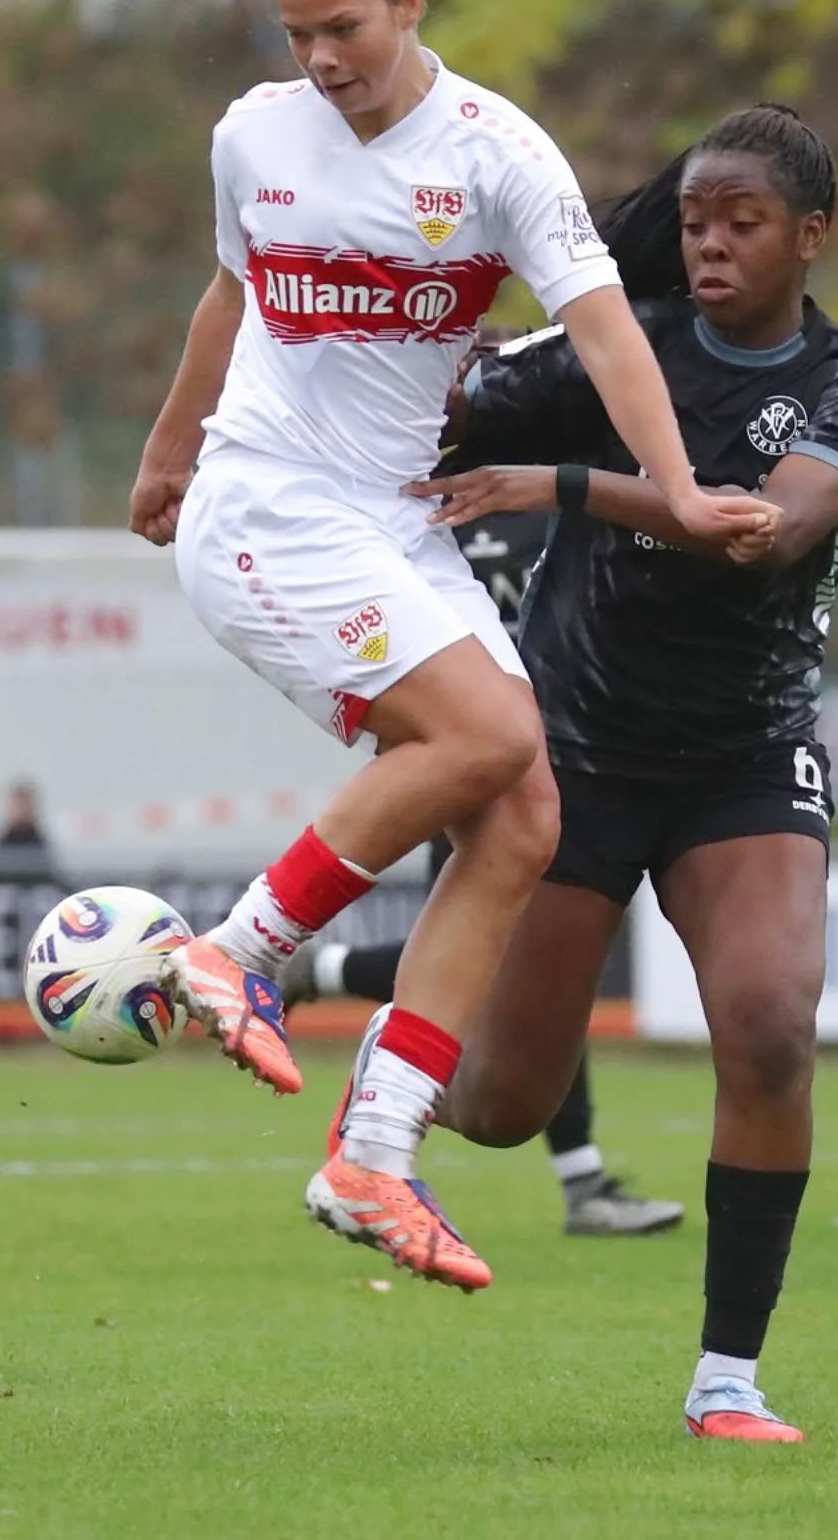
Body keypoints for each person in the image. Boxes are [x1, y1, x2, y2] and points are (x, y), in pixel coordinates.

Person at [128, 0, 777, 1292]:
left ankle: (375, 1152)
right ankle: (235, 950)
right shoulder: (254, 135)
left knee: (526, 811)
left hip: (392, 521)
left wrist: (676, 491)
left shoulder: (496, 156)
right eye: (298, 37)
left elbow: (607, 335)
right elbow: (227, 300)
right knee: (491, 731)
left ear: (412, 1)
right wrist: (170, 453)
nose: (323, 63)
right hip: (269, 504)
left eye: (344, 30)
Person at [327, 103, 838, 1436]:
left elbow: (766, 528)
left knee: (768, 1027)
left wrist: (563, 486)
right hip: (571, 757)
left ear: (809, 238)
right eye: (694, 221)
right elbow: (435, 408)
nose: (710, 245)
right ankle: (392, 1051)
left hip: (744, 759)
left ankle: (727, 1383)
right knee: (500, 1109)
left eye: (743, 225)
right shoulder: (608, 346)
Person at [282, 501, 685, 1238]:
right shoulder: (477, 523)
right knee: (515, 969)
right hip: (500, 770)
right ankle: (567, 1178)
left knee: (530, 975)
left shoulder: (484, 517)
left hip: (539, 766)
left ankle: (327, 976)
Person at [0, 781, 58, 885]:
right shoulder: (3, 842)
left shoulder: (39, 842)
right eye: (18, 806)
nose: (22, 810)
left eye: (25, 805)